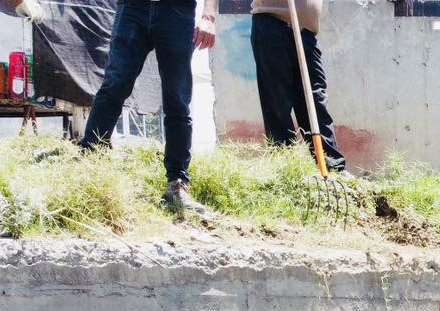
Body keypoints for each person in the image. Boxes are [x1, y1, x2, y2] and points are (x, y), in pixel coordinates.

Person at [80, 0, 217, 212]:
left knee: (177, 98)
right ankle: (87, 164)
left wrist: (209, 16)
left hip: (177, 11)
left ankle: (178, 185)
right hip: (133, 8)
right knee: (115, 84)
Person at [248, 0, 345, 173]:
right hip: (273, 23)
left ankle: (332, 168)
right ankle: (287, 170)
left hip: (306, 33)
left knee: (315, 100)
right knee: (277, 103)